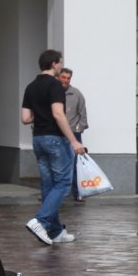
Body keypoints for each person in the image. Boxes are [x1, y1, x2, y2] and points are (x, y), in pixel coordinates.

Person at [20, 50, 86, 246]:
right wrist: (73, 140)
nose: (61, 66)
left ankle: (56, 231)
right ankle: (40, 221)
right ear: (54, 64)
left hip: (38, 139)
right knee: (63, 183)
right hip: (55, 139)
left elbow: (25, 118)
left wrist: (41, 114)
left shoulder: (31, 86)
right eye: (60, 63)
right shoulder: (55, 85)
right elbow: (58, 114)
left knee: (49, 186)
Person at [59, 68, 89, 202]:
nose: (66, 80)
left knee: (76, 164)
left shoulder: (76, 94)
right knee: (57, 164)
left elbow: (83, 115)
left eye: (68, 78)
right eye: (63, 77)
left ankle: (77, 193)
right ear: (58, 77)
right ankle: (54, 194)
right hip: (57, 134)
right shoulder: (53, 92)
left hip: (73, 135)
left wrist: (78, 130)